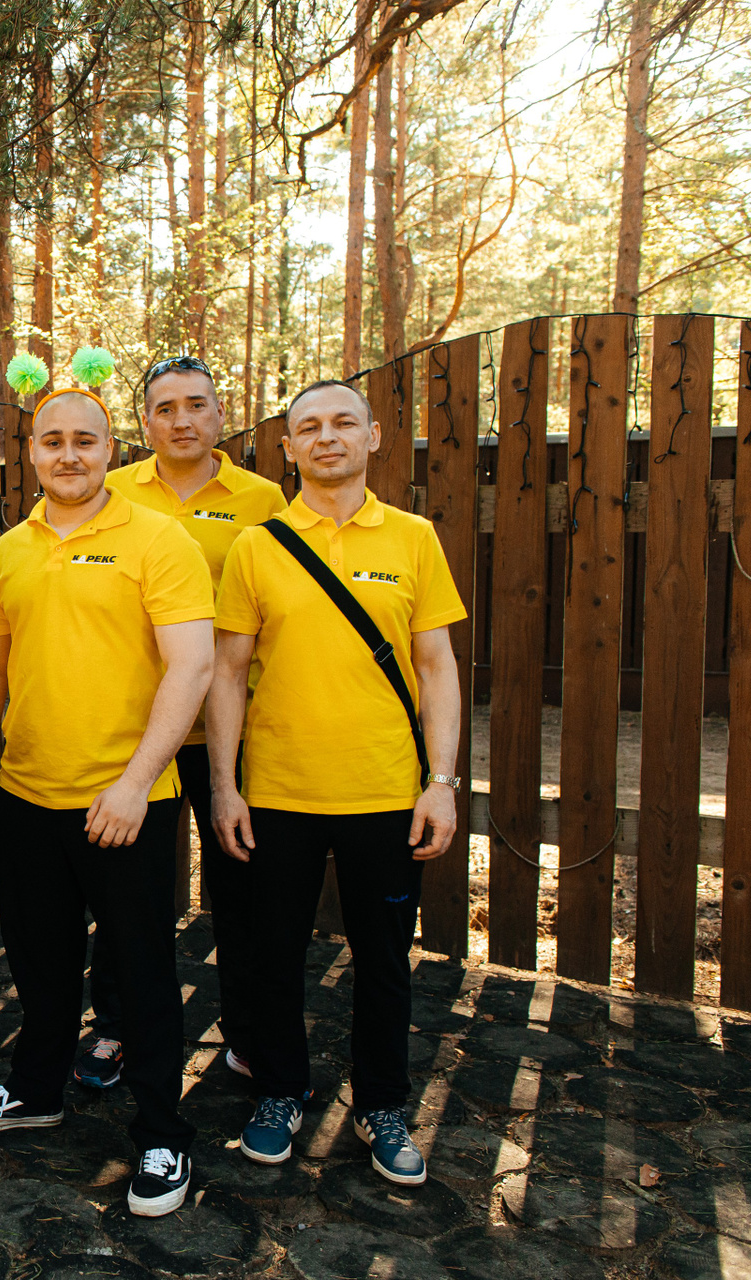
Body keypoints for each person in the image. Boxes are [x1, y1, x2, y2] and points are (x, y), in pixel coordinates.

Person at [0, 387, 215, 1218]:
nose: (69, 454)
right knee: (39, 959)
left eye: (85, 441)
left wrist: (134, 783)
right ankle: (36, 1089)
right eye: (53, 440)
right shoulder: (10, 550)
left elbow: (193, 666)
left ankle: (163, 1132)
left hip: (128, 800)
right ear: (31, 452)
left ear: (111, 450)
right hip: (27, 797)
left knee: (142, 972)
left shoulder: (158, 539)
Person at [208, 379, 464, 1188]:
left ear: (374, 436)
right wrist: (224, 786)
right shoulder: (258, 546)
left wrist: (442, 782)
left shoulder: (414, 538)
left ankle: (381, 1104)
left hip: (385, 792)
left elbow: (437, 666)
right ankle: (280, 1091)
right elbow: (227, 672)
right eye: (309, 427)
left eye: (343, 423)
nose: (327, 438)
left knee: (384, 961)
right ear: (288, 448)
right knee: (272, 955)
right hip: (278, 792)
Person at [80, 355, 286, 1090]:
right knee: (127, 893)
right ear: (145, 423)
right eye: (165, 408)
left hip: (232, 730)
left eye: (196, 405)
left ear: (221, 414)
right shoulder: (113, 493)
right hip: (139, 730)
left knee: (242, 887)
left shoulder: (262, 500)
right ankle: (116, 1026)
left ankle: (248, 1032)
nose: (182, 420)